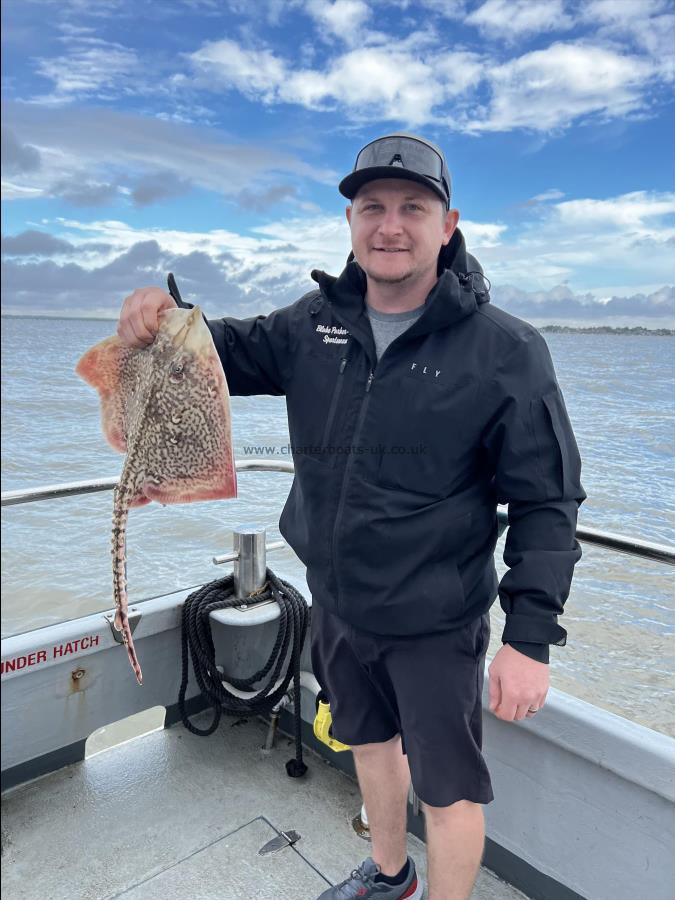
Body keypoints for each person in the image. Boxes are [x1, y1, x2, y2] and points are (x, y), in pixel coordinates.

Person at [117, 132, 586, 900]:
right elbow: (219, 352)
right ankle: (392, 875)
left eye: (412, 207)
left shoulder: (506, 351)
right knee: (367, 742)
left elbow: (548, 500)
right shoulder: (311, 326)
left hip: (436, 618)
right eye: (371, 207)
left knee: (448, 786)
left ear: (448, 222)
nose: (389, 225)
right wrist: (162, 315)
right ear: (350, 222)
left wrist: (529, 640)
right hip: (337, 601)